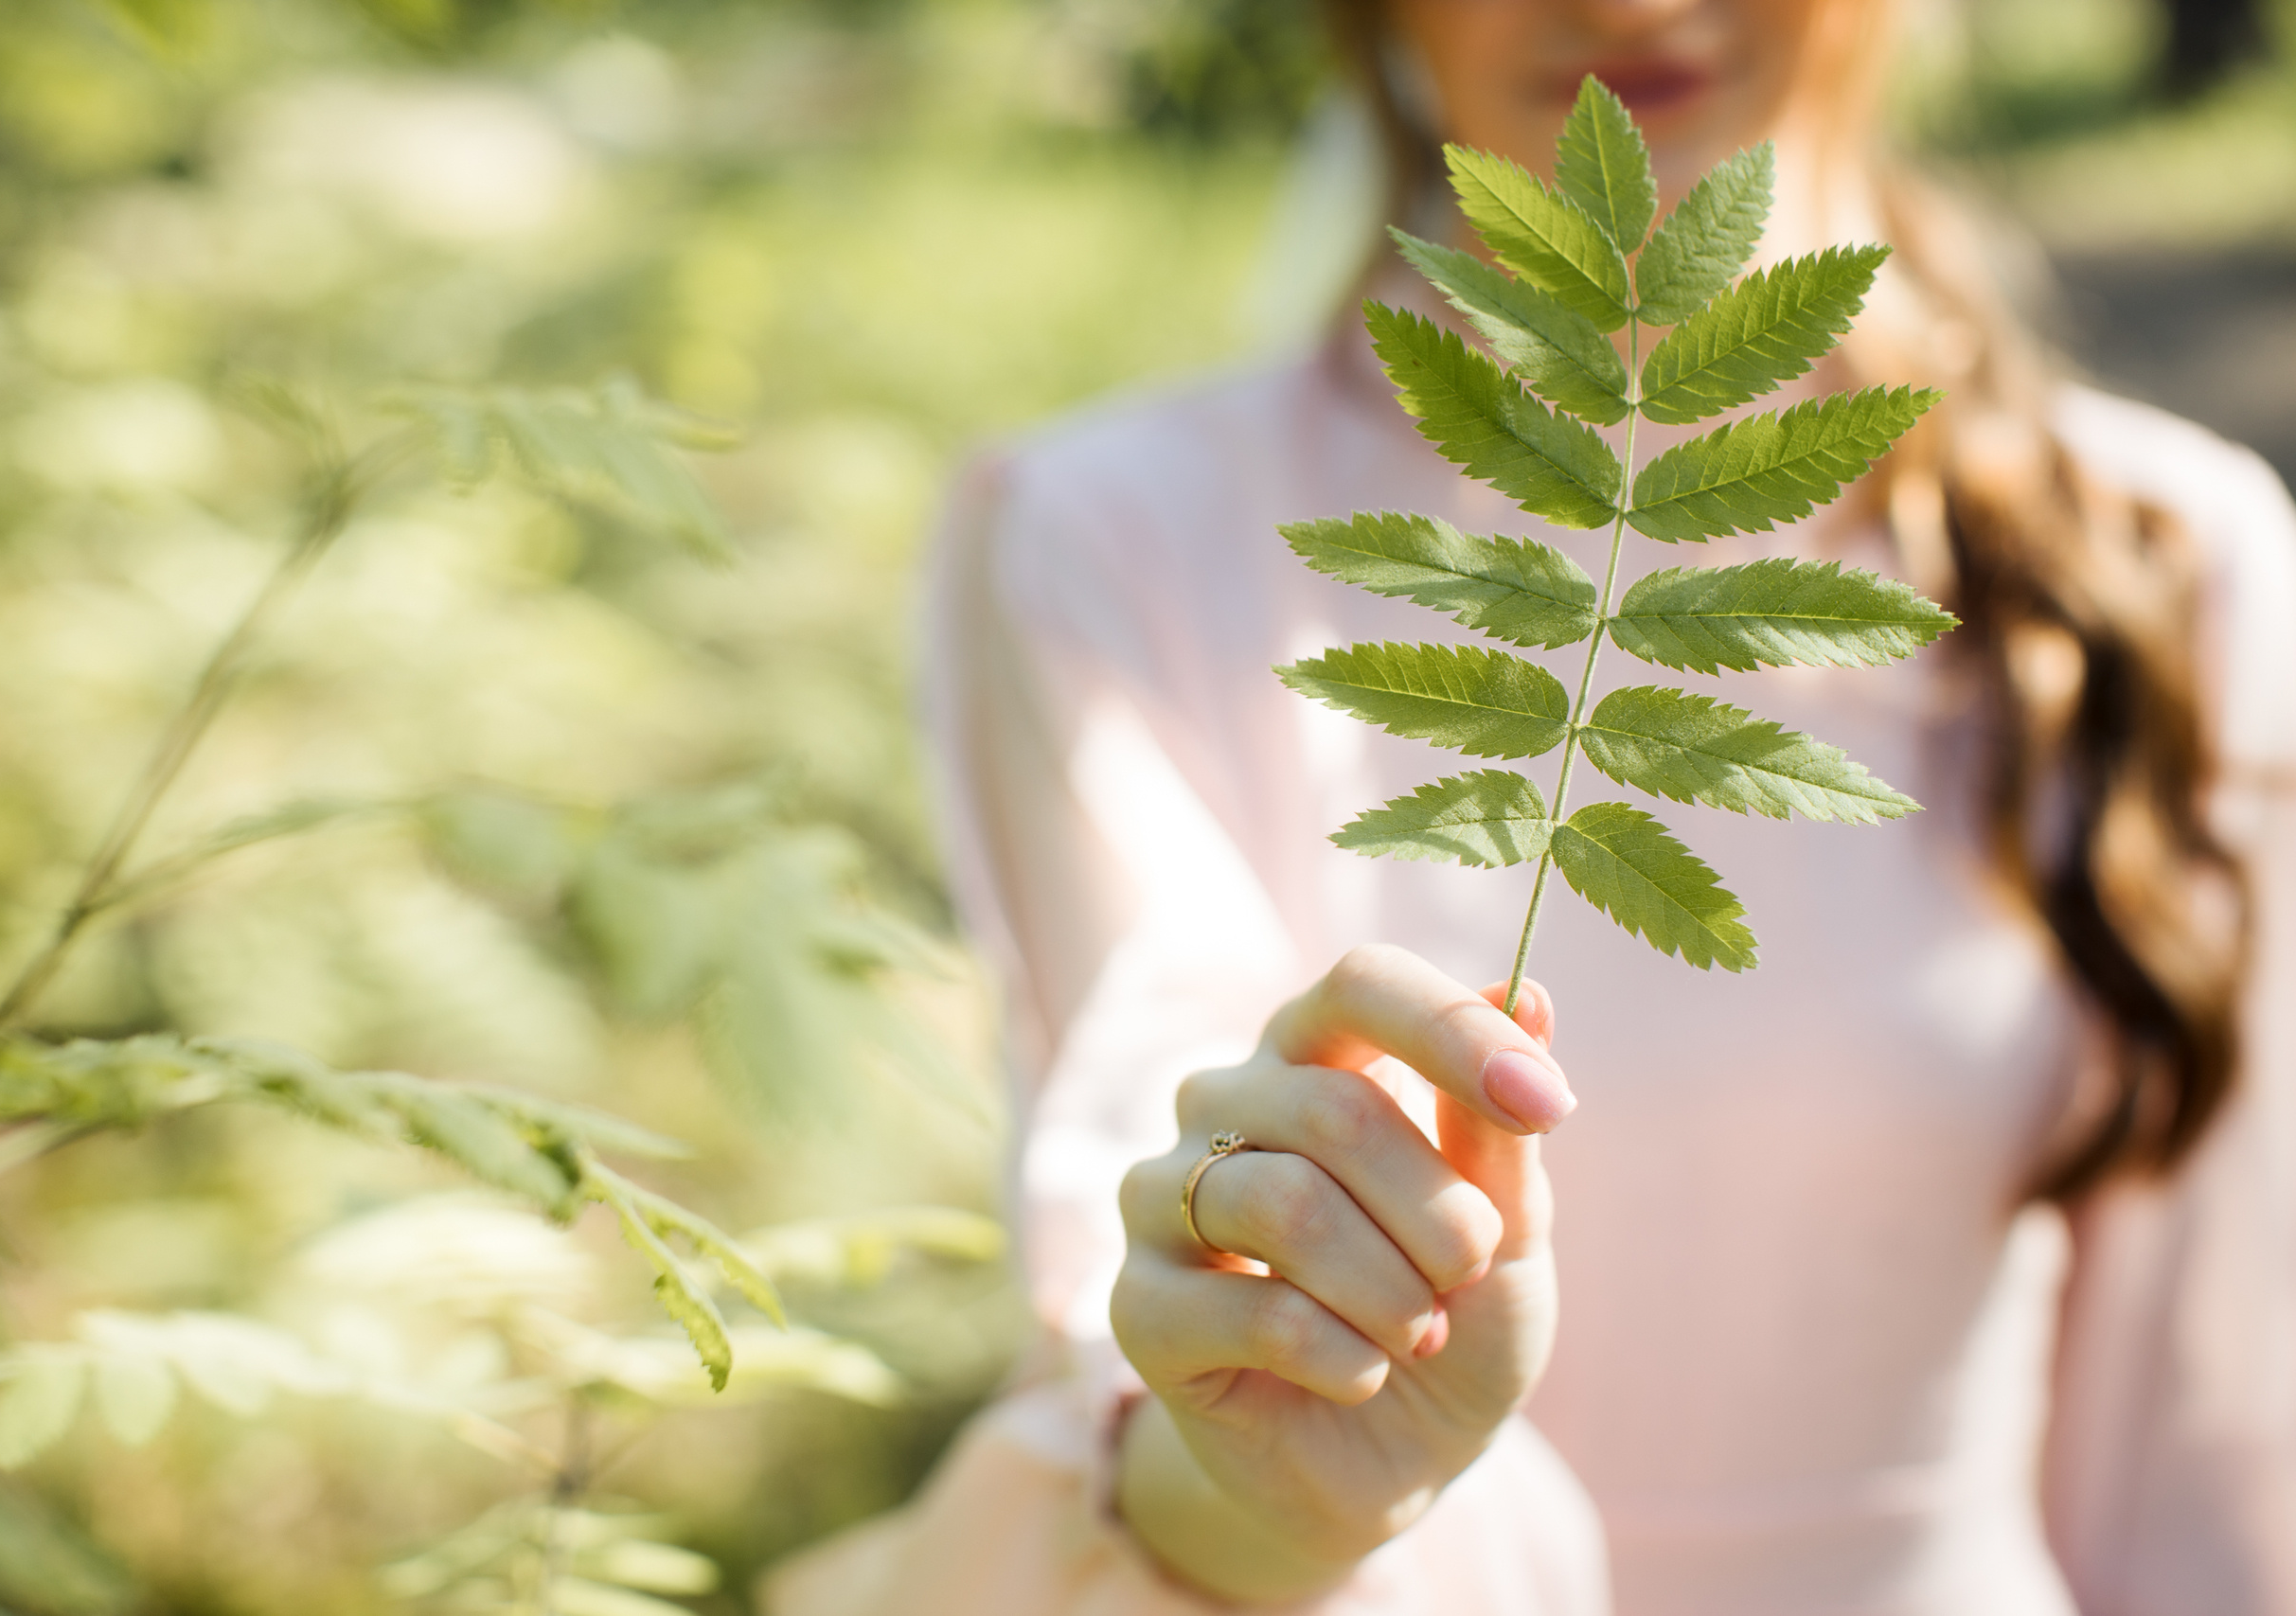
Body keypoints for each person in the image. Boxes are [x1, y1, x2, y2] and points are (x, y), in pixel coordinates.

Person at [763, 0, 2296, 1610]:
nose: (1626, 1)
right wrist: (1289, 1473)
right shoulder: (1102, 538)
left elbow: (2219, 1435)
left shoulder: (2174, 562)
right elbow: (1140, 1306)